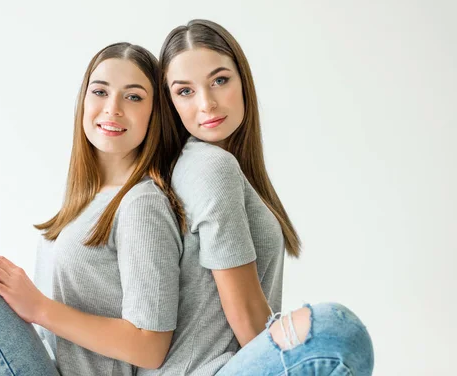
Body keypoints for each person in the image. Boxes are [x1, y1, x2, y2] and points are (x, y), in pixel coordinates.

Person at [0, 42, 184, 376]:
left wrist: (39, 308)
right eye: (100, 91)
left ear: (155, 113)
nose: (113, 108)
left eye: (133, 97)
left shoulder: (141, 204)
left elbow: (150, 347)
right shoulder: (86, 195)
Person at [144, 19, 375, 376]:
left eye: (220, 81)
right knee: (336, 331)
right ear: (169, 102)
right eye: (185, 91)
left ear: (243, 82)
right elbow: (248, 316)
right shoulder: (211, 167)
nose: (207, 103)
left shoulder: (206, 166)